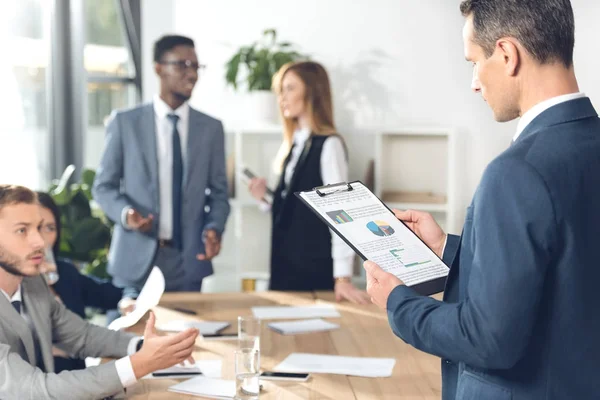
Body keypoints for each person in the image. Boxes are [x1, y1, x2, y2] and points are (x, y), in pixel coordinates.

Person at [364, 1, 600, 399]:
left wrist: (397, 302)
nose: (474, 82)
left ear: (507, 55)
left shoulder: (516, 172)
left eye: (474, 62)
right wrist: (449, 249)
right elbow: (568, 271)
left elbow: (487, 339)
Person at [0, 185, 199, 399]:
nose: (40, 241)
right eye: (22, 230)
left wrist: (141, 345)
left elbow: (82, 336)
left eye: (40, 228)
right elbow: (35, 390)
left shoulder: (32, 282)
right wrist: (138, 364)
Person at [93, 34, 230, 297]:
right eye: (182, 65)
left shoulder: (211, 129)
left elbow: (219, 193)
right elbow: (104, 187)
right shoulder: (125, 123)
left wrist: (214, 227)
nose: (192, 74)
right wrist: (126, 215)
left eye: (196, 66)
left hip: (188, 261)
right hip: (136, 260)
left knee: (188, 337)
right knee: (129, 336)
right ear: (158, 68)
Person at [247, 61, 369, 304]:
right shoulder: (294, 144)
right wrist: (266, 198)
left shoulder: (329, 144)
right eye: (281, 90)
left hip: (312, 270)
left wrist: (342, 278)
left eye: (290, 88)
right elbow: (298, 207)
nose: (282, 97)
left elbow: (340, 214)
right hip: (285, 267)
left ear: (312, 92)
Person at [36, 191, 130, 372]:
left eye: (50, 228)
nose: (41, 239)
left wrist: (127, 300)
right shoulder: (12, 285)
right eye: (33, 228)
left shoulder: (64, 272)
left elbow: (112, 293)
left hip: (80, 381)